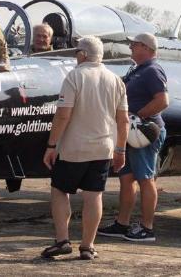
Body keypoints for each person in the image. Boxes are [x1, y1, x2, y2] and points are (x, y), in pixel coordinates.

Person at [41, 36, 129, 260]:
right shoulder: (116, 80)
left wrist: (51, 145)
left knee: (60, 190)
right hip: (103, 148)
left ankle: (62, 240)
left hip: (73, 148)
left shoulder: (74, 76)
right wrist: (120, 150)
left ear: (82, 54)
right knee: (94, 196)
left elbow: (63, 115)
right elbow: (123, 121)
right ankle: (88, 246)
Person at [98, 32, 169, 242]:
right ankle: (123, 223)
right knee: (127, 178)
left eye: (135, 45)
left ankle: (147, 228)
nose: (131, 48)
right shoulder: (138, 70)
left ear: (146, 48)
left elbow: (163, 101)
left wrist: (138, 117)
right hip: (130, 133)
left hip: (144, 133)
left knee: (145, 179)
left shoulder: (152, 71)